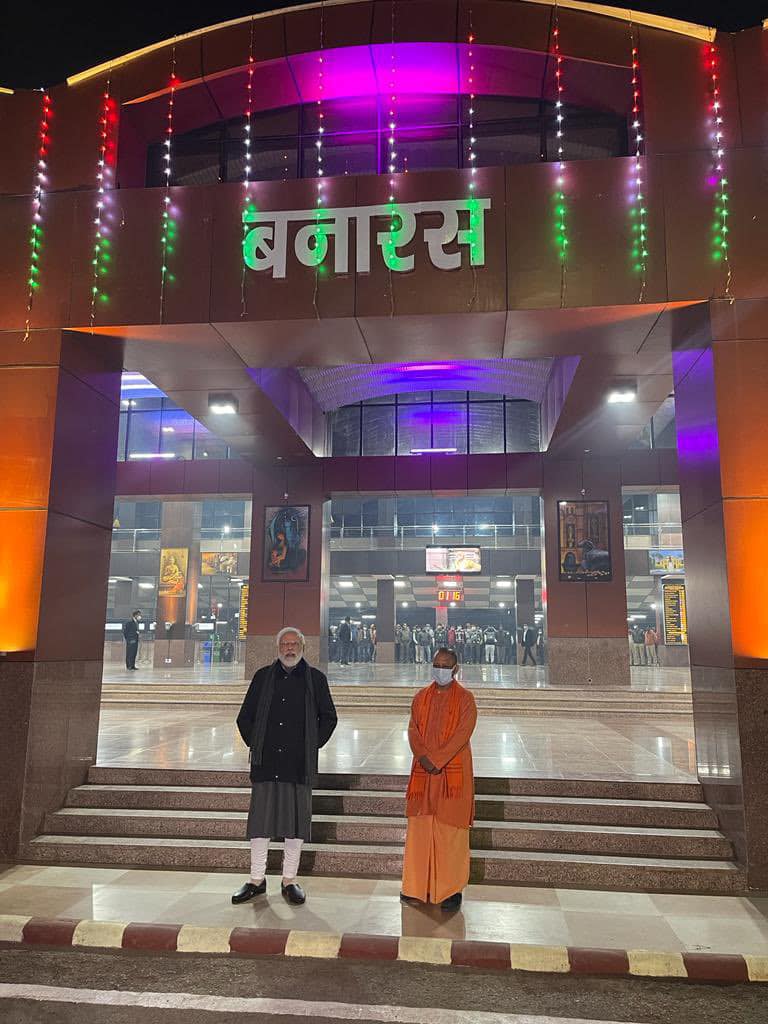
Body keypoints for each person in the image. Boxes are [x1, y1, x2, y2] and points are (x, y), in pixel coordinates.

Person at [233, 627, 337, 906]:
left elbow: (329, 718)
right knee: (260, 823)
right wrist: (258, 744)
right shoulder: (263, 677)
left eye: (294, 643)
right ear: (277, 647)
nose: (289, 648)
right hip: (266, 762)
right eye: (284, 644)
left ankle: (289, 879)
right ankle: (256, 879)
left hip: (298, 764)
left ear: (303, 646)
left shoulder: (315, 679)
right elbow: (244, 718)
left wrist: (310, 745)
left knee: (295, 824)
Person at [401, 647, 477, 910]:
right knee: (421, 830)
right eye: (436, 664)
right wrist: (423, 756)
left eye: (445, 666)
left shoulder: (466, 699)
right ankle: (415, 887)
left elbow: (462, 734)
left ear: (455, 669)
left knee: (450, 833)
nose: (440, 669)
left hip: (451, 776)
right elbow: (413, 729)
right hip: (424, 774)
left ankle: (451, 890)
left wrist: (437, 759)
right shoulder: (420, 697)